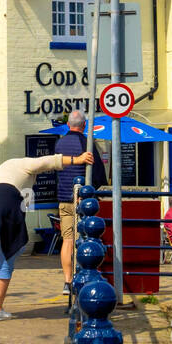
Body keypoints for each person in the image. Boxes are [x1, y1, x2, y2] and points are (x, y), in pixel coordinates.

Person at [0, 149, 92, 320]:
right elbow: (49, 161)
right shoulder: (24, 164)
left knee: (7, 245)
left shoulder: (2, 171)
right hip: (4, 199)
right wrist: (77, 159)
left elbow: (23, 209)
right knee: (10, 250)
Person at [55, 109, 107, 298]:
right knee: (82, 241)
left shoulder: (59, 143)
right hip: (81, 201)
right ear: (84, 125)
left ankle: (67, 281)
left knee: (67, 240)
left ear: (68, 124)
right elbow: (99, 175)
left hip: (63, 199)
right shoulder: (87, 143)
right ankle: (82, 278)